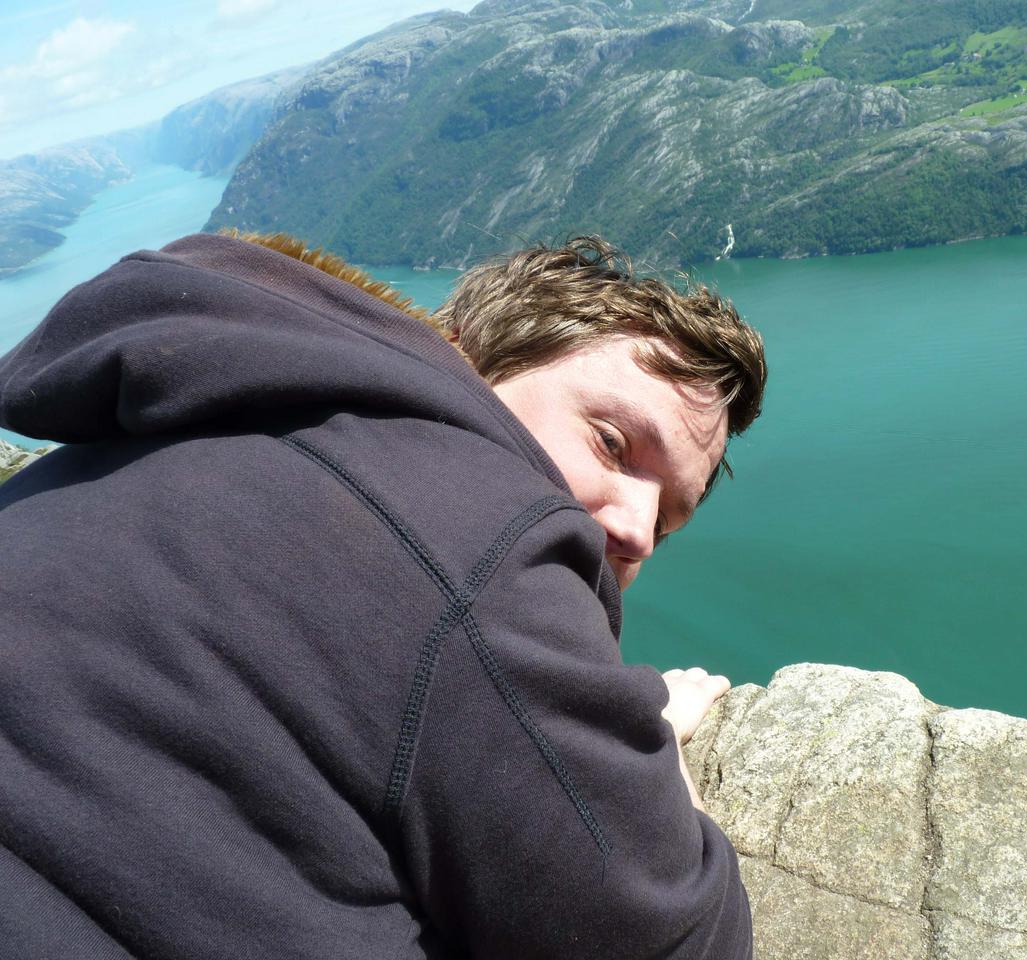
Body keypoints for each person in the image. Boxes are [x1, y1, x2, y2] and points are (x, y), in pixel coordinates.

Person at [0, 230, 766, 958]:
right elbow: (681, 942)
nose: (635, 529)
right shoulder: (480, 536)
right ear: (466, 360)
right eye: (611, 441)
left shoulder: (151, 431)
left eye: (666, 521)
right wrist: (650, 742)